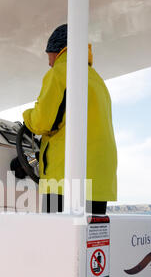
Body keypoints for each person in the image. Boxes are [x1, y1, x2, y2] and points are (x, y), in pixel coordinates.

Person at [23, 24, 117, 214]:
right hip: (100, 181)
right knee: (89, 240)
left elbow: (42, 122)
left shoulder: (60, 72)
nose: (49, 62)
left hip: (65, 178)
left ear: (57, 51)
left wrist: (26, 117)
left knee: (56, 240)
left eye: (48, 55)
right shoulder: (97, 80)